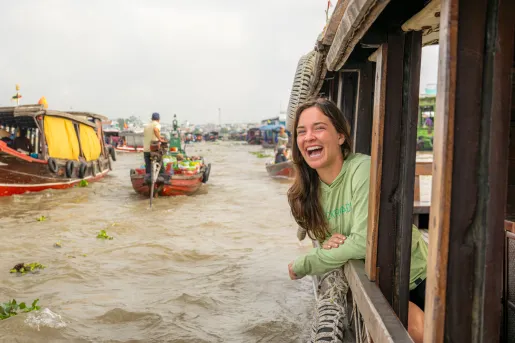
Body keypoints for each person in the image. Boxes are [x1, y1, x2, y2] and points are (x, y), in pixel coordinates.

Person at [286, 98, 427, 343]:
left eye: (319, 127)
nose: (308, 136)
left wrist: (302, 265)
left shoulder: (362, 169)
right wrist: (334, 243)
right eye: (301, 131)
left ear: (340, 136)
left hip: (414, 276)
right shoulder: (307, 195)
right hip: (377, 283)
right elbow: (331, 243)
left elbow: (363, 243)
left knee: (421, 332)